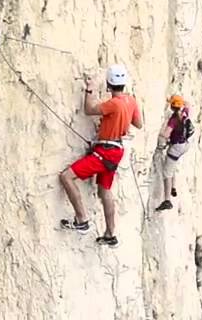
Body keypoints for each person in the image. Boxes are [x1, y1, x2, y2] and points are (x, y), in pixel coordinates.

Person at [58, 64, 143, 247]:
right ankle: (110, 234)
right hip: (117, 151)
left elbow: (89, 110)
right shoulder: (130, 101)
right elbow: (138, 123)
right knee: (105, 190)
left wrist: (90, 89)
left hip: (105, 151)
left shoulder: (114, 103)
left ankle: (81, 220)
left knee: (66, 176)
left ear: (109, 84)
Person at [155, 94, 192, 211]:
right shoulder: (184, 114)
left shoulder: (173, 120)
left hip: (176, 147)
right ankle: (173, 187)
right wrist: (179, 101)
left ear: (171, 106)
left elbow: (166, 134)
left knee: (167, 172)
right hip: (185, 145)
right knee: (172, 165)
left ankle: (167, 200)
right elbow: (188, 104)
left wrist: (160, 133)